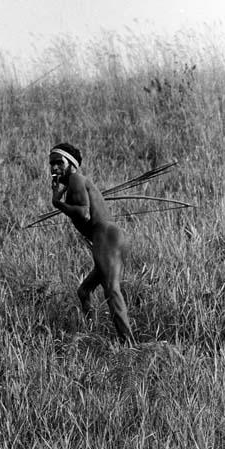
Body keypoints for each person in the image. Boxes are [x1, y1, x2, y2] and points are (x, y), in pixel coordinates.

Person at [49, 142, 135, 344]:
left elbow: (83, 212)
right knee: (84, 291)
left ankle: (129, 345)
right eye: (51, 164)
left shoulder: (77, 179)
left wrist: (57, 203)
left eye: (59, 163)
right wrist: (61, 195)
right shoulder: (74, 183)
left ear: (71, 164)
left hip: (106, 236)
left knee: (111, 290)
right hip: (108, 238)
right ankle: (91, 335)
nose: (54, 168)